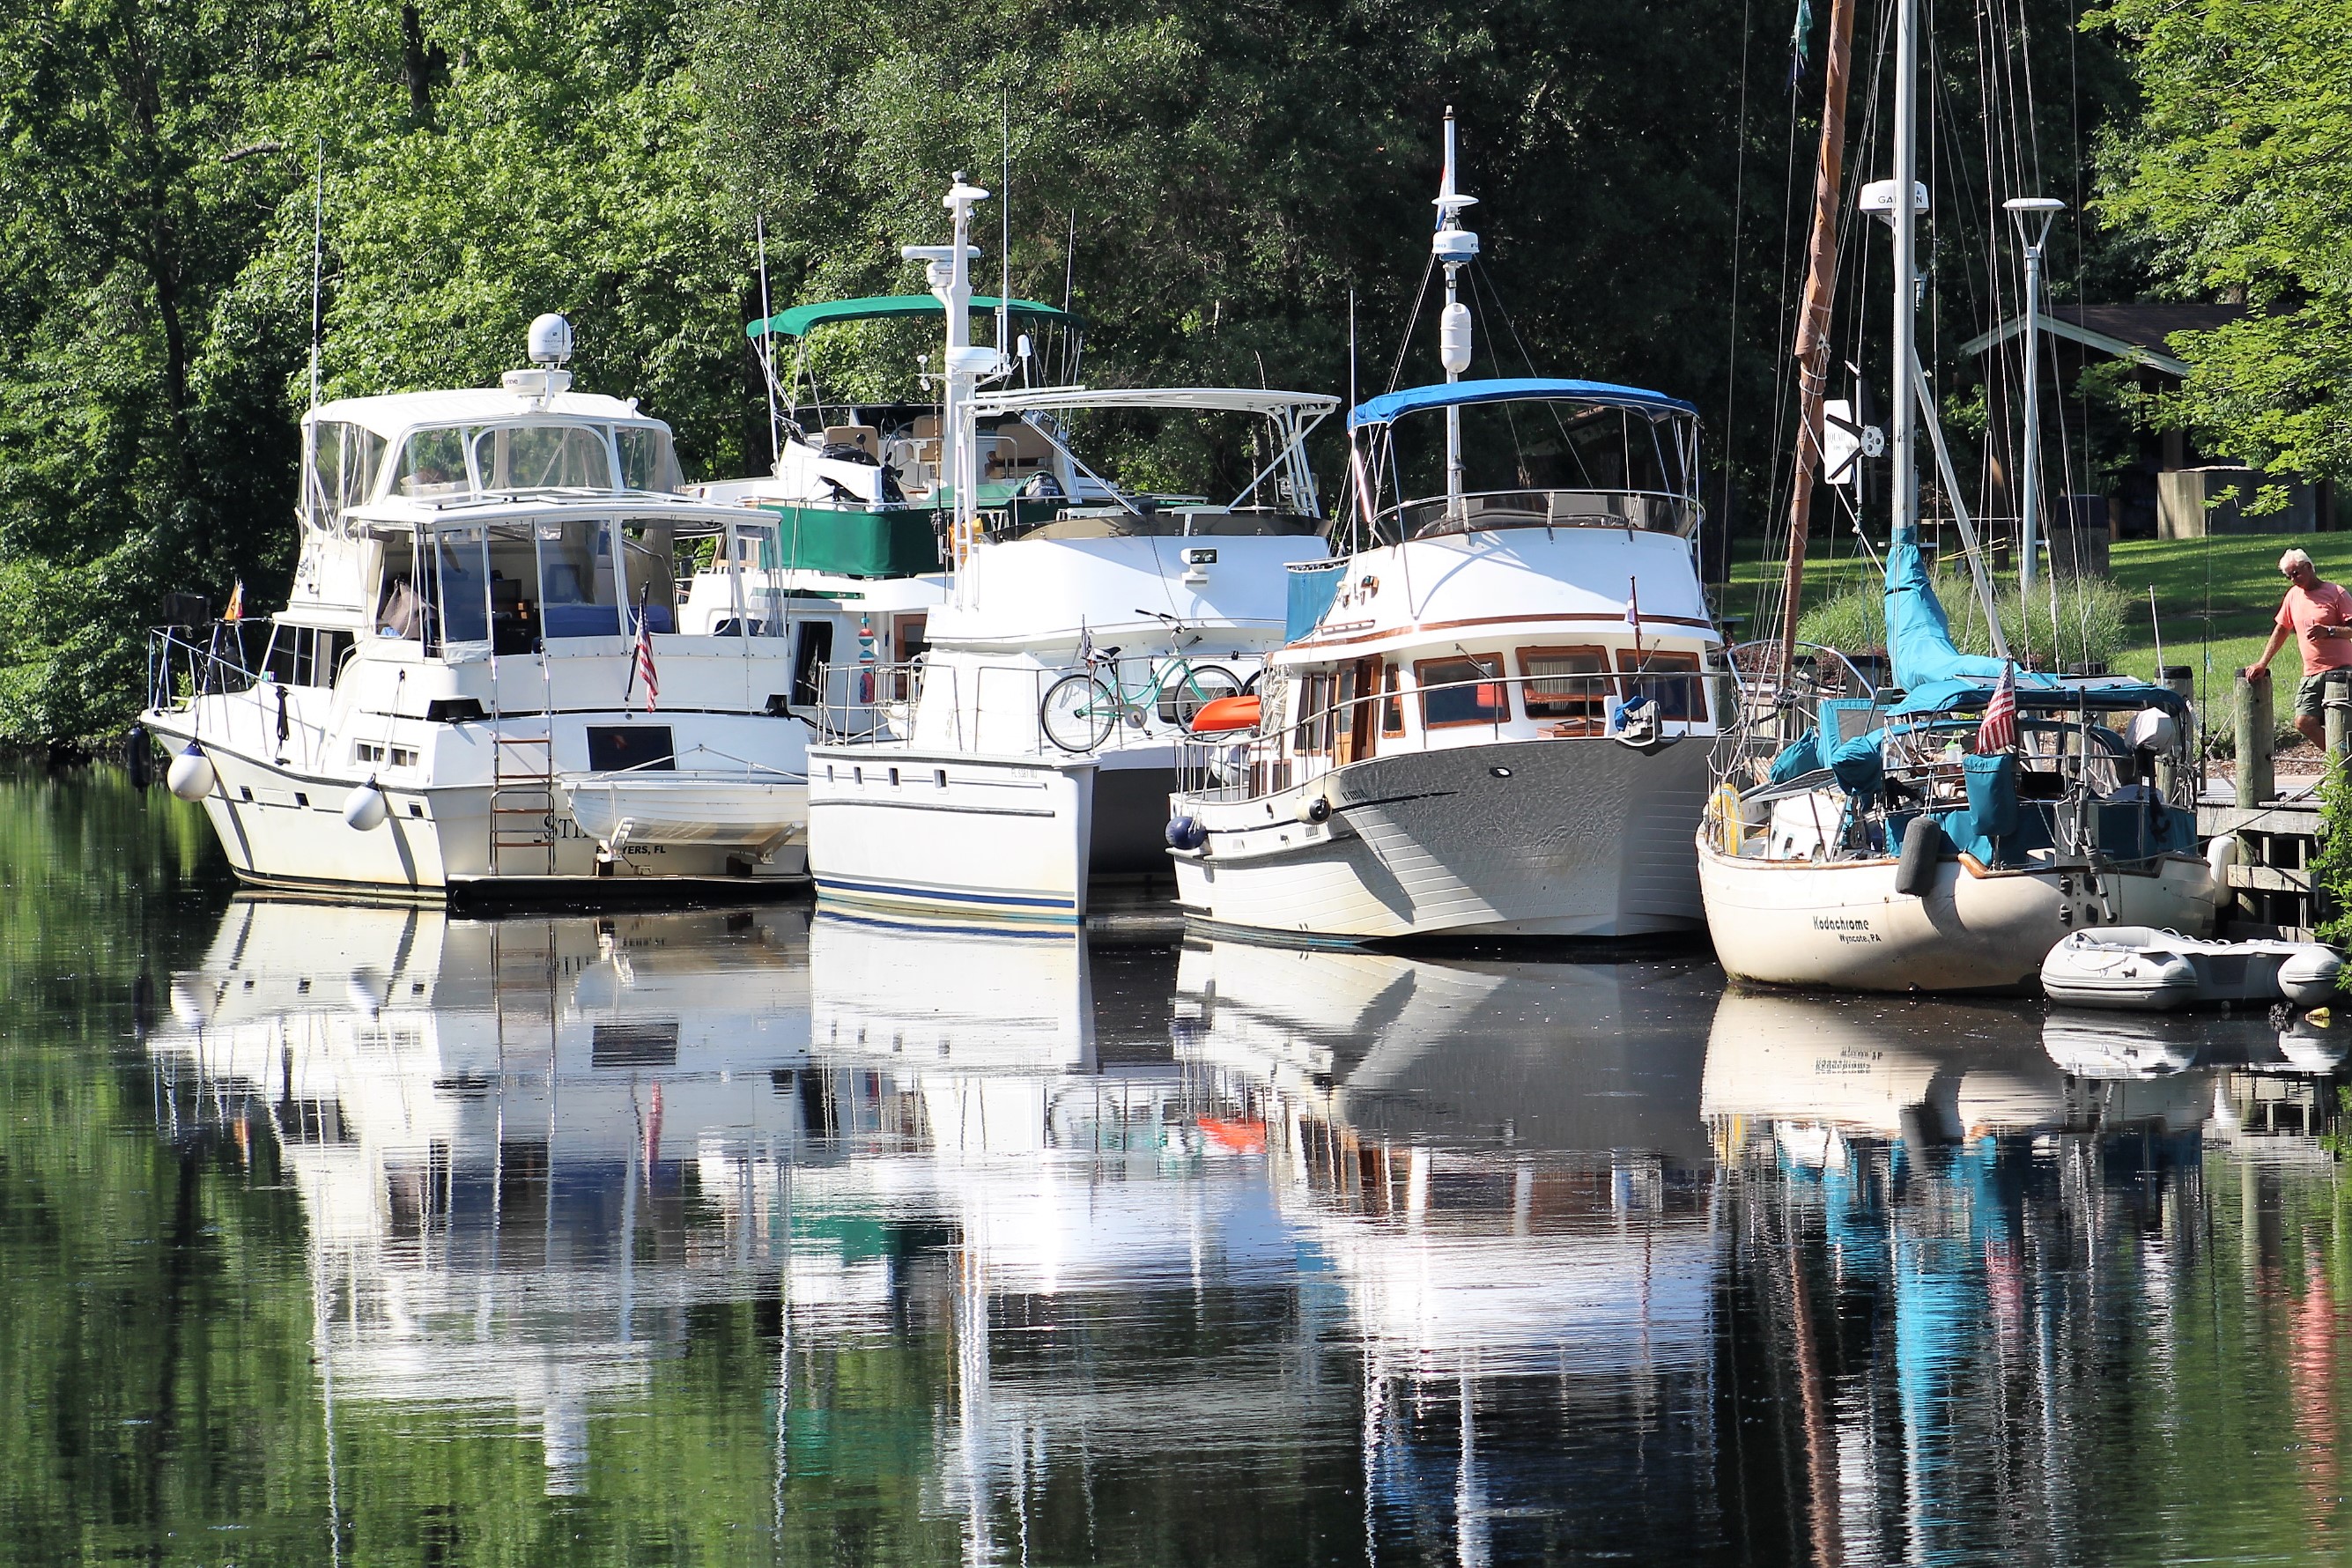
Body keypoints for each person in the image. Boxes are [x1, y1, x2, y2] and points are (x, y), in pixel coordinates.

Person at [2248, 547, 2352, 747]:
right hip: (2312, 673)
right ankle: (2340, 760)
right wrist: (2263, 662)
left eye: (2296, 573)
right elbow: (2281, 630)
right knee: (2304, 721)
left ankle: (2343, 766)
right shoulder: (2293, 596)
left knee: (2343, 723)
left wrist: (2329, 631)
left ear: (2309, 567)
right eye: (2288, 576)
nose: (2293, 579)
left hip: (2341, 672)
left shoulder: (2336, 593)